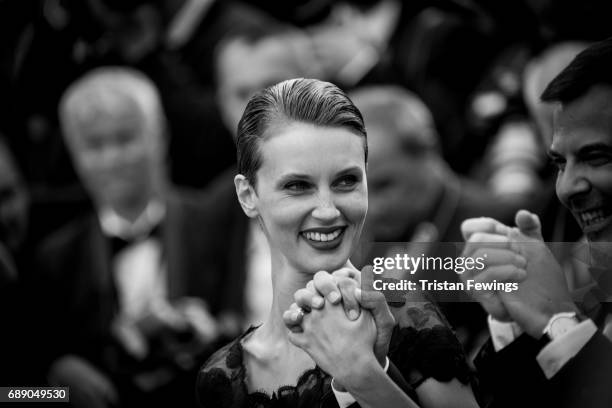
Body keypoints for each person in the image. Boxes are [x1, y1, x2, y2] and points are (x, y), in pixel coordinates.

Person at [196, 78, 478, 407]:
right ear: (248, 195)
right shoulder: (221, 377)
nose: (329, 211)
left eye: (346, 181)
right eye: (298, 186)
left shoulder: (411, 321)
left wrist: (364, 376)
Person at [28, 67, 241, 408]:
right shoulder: (54, 259)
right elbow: (18, 394)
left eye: (125, 138)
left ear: (159, 135)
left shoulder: (215, 221)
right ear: (73, 154)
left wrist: (218, 335)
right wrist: (59, 382)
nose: (111, 159)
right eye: (93, 145)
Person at [459, 37, 612, 408]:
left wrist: (556, 320)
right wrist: (517, 321)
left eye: (596, 156)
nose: (566, 188)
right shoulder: (589, 260)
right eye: (559, 163)